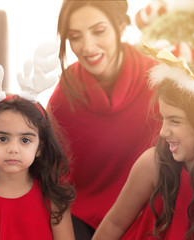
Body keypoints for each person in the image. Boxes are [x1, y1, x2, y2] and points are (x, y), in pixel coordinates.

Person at [92, 57, 194, 239]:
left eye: (175, 121)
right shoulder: (153, 165)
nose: (162, 132)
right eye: (163, 118)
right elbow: (115, 223)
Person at [47, 1, 160, 238]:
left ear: (120, 28)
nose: (87, 47)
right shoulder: (67, 89)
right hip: (79, 213)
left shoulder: (157, 80)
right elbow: (51, 165)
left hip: (146, 212)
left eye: (99, 31)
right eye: (75, 36)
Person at [0, 47, 76, 240]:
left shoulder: (53, 200)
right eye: (2, 138)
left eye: (25, 140)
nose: (13, 149)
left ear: (40, 147)